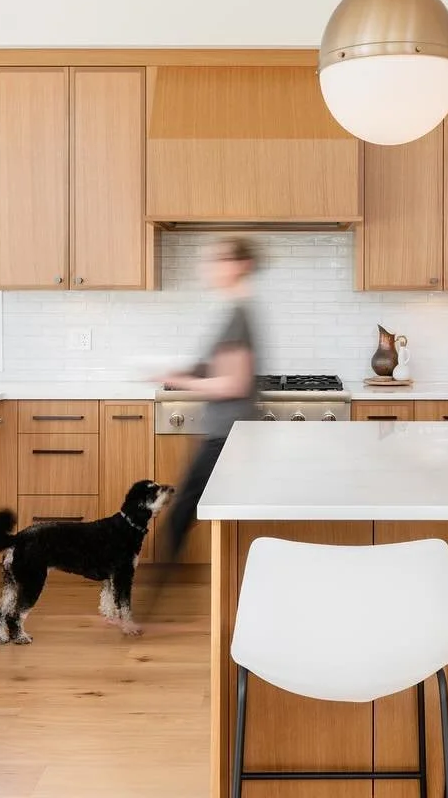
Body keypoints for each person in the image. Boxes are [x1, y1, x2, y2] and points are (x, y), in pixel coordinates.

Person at [140, 237, 260, 622]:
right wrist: (180, 371)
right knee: (195, 514)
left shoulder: (238, 315)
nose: (210, 266)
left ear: (241, 265)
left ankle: (138, 611)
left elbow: (234, 383)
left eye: (219, 259)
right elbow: (219, 368)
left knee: (180, 515)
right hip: (228, 432)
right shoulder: (235, 312)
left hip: (228, 435)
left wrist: (182, 382)